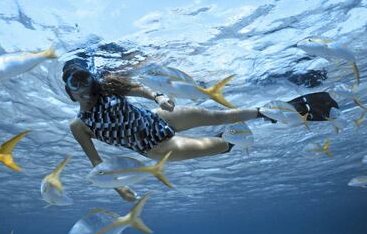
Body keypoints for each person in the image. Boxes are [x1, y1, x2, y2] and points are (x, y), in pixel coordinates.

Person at [62, 49, 338, 201]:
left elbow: (139, 90)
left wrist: (159, 96)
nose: (83, 87)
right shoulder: (79, 125)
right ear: (69, 91)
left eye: (84, 79)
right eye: (75, 83)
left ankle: (271, 112)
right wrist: (119, 186)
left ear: (91, 78)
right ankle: (234, 139)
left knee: (219, 115)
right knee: (216, 146)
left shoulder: (109, 89)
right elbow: (97, 163)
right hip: (153, 146)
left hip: (158, 118)